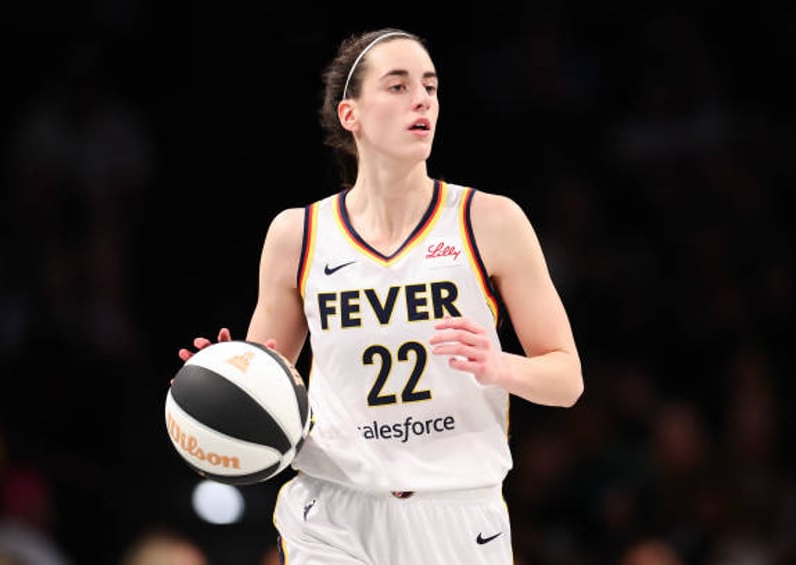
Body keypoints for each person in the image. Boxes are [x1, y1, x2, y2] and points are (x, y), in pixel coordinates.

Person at [178, 27, 583, 565]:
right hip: (334, 508)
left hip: (458, 510)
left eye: (430, 87)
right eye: (397, 86)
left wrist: (498, 366)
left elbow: (566, 380)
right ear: (351, 114)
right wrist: (229, 375)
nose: (422, 99)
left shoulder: (491, 221)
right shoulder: (297, 235)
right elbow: (271, 383)